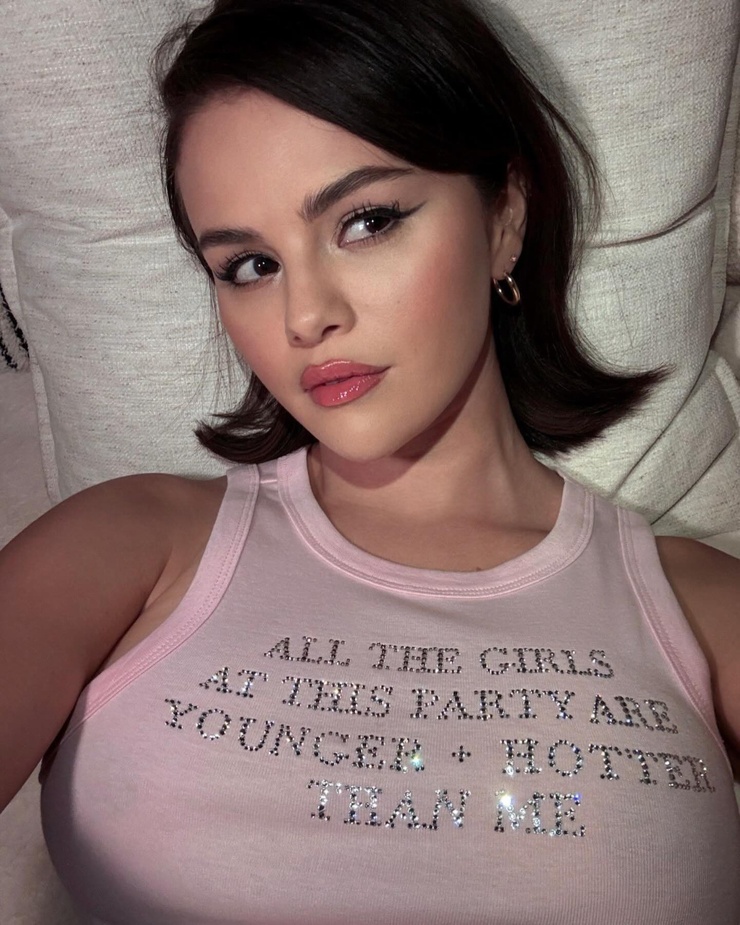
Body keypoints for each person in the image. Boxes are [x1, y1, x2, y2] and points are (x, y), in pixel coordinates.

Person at [1, 0, 739, 921]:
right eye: (250, 265)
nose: (306, 315)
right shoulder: (125, 543)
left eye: (367, 221)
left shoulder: (699, 607)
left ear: (504, 217)